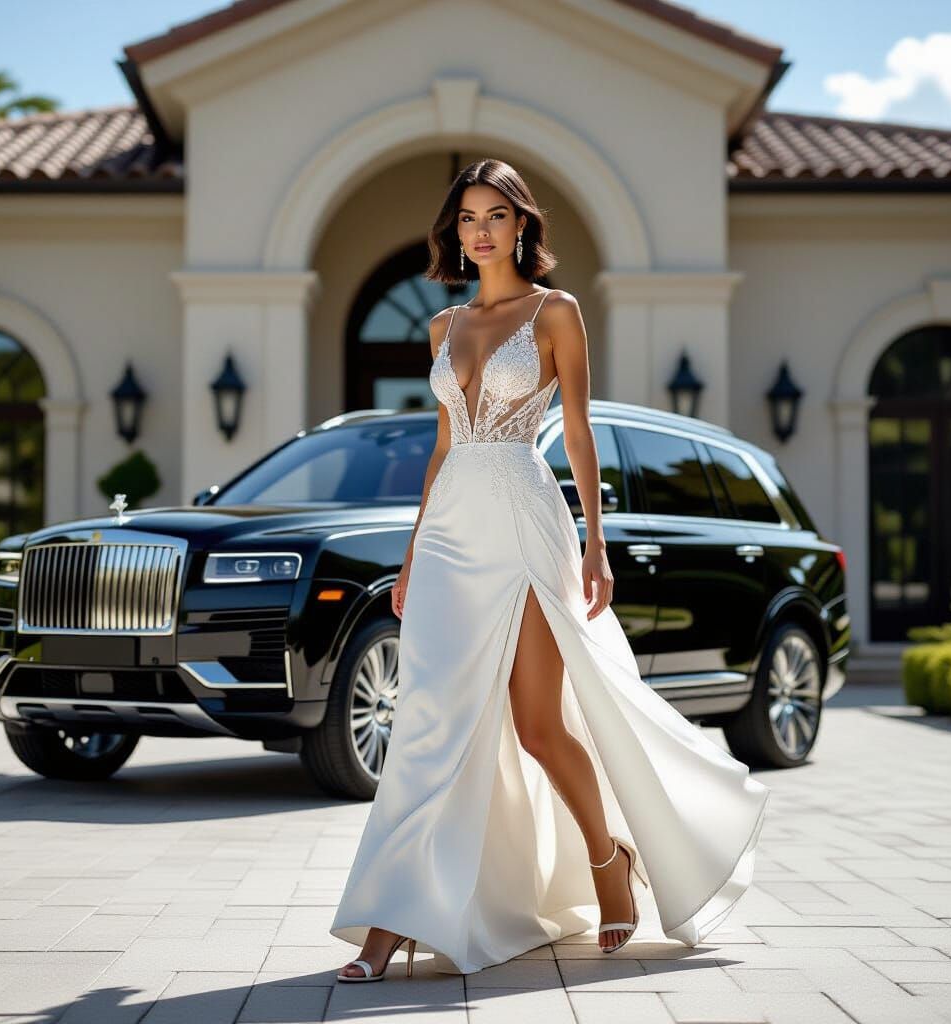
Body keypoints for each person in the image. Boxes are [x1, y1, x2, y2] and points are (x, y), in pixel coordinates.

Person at [331, 158, 771, 981]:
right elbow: (440, 448)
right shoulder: (443, 327)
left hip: (529, 523)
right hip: (454, 528)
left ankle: (610, 863)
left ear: (522, 223)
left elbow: (577, 434)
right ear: (454, 231)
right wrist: (412, 552)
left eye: (495, 214)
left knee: (537, 725)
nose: (481, 230)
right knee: (427, 725)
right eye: (467, 217)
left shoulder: (555, 311)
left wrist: (597, 542)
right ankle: (391, 921)